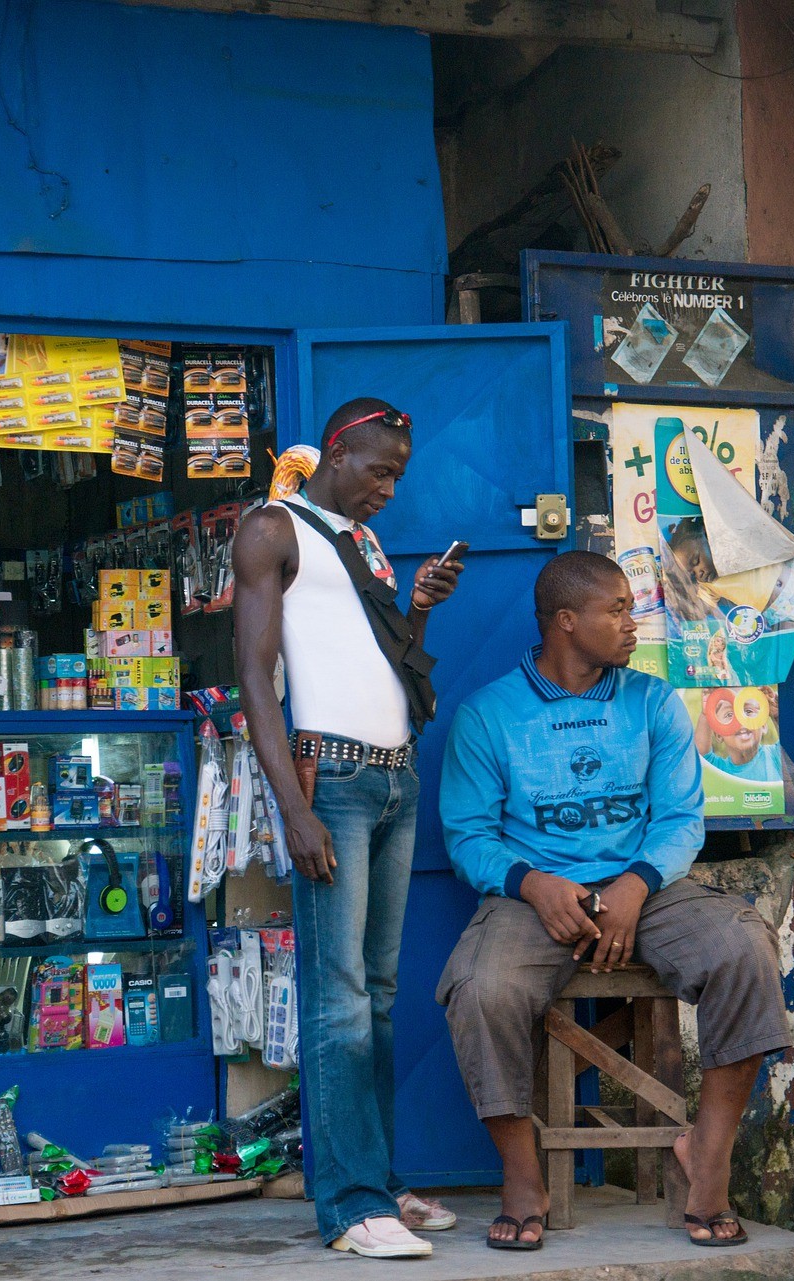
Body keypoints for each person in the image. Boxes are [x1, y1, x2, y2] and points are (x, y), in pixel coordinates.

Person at [436, 551, 793, 1251]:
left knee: (744, 947)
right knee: (481, 986)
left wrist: (635, 882)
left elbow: (681, 818)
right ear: (567, 623)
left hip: (646, 886)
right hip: (534, 899)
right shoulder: (488, 715)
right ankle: (522, 1177)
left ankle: (708, 1162)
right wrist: (533, 884)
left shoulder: (653, 700)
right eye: (620, 610)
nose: (635, 623)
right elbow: (469, 836)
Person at [232, 397, 465, 1259]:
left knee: (377, 996)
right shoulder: (270, 528)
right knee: (338, 1002)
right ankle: (350, 1205)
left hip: (396, 776)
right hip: (326, 779)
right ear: (338, 453)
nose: (390, 489)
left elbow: (385, 659)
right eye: (379, 471)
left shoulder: (365, 546)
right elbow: (256, 674)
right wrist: (292, 805)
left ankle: (378, 1180)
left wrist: (424, 604)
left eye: (399, 475)